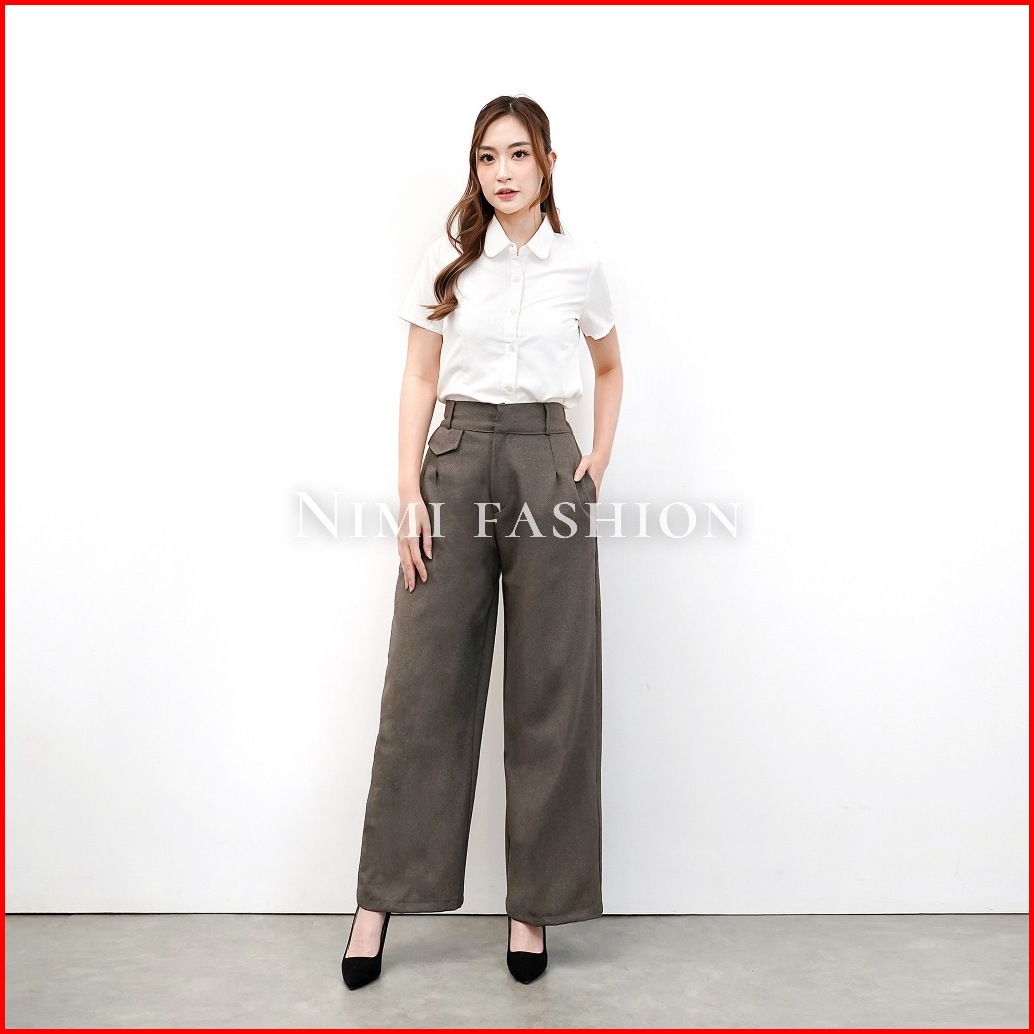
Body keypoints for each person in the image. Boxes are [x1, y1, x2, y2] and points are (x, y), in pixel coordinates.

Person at [341, 94, 623, 990]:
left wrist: (596, 457)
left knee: (551, 690)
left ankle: (532, 905)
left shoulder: (580, 264)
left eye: (518, 154)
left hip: (548, 461)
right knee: (422, 687)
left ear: (548, 164)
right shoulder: (449, 257)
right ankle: (378, 901)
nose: (502, 172)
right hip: (456, 462)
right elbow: (419, 377)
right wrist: (408, 494)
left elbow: (609, 366)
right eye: (487, 157)